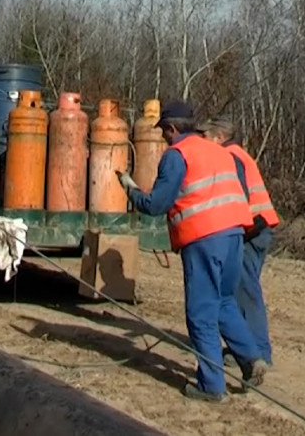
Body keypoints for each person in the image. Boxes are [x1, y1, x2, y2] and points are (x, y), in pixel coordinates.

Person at [117, 100, 269, 402]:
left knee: (201, 312)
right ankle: (252, 359)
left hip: (204, 238)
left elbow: (156, 205)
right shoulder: (218, 150)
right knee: (224, 302)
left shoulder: (177, 155)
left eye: (164, 132)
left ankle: (212, 386)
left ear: (173, 129)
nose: (162, 138)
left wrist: (130, 188)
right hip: (235, 234)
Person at [199, 117, 279, 368]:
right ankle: (247, 349)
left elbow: (237, 196)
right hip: (256, 228)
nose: (203, 141)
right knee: (239, 291)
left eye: (206, 136)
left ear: (220, 137)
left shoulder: (231, 157)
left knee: (246, 292)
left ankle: (259, 353)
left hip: (251, 230)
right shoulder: (239, 154)